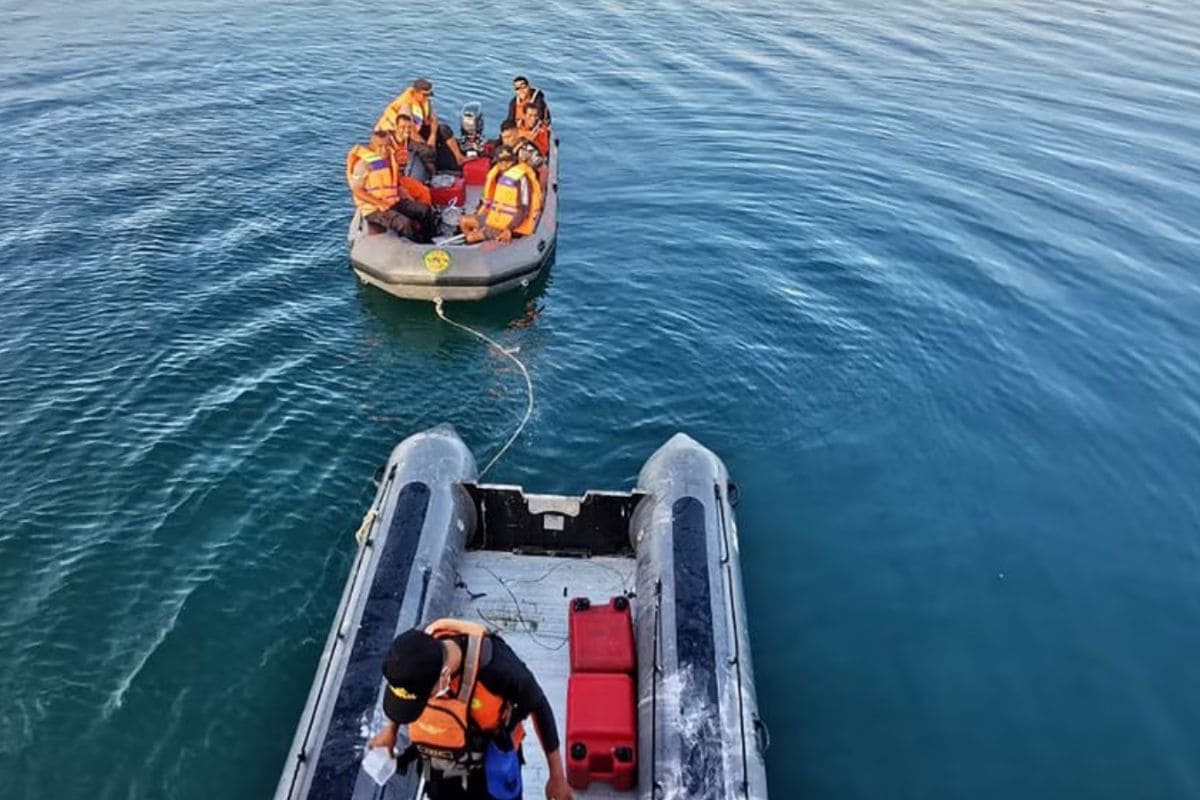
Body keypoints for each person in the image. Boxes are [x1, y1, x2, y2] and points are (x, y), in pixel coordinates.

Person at [368, 620, 574, 800]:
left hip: (491, 765)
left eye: (422, 699)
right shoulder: (411, 655)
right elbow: (405, 693)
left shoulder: (498, 667)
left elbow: (539, 706)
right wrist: (391, 731)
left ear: (444, 677)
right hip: (441, 765)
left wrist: (556, 776)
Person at [346, 130, 436, 241]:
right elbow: (357, 191)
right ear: (372, 144)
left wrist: (400, 188)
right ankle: (416, 245)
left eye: (386, 145)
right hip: (374, 208)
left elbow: (393, 180)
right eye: (380, 146)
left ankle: (430, 239)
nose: (383, 150)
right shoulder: (363, 164)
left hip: (393, 201)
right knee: (403, 223)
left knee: (424, 210)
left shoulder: (391, 158)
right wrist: (379, 203)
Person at [377, 78, 466, 175]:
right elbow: (411, 133)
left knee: (445, 130)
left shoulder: (424, 100)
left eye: (429, 95)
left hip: (416, 130)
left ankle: (459, 158)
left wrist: (432, 136)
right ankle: (432, 175)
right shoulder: (405, 107)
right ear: (416, 92)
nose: (427, 98)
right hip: (402, 137)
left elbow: (433, 120)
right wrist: (428, 144)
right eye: (424, 95)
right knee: (427, 151)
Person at [459, 146, 543, 244]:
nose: (504, 164)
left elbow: (523, 209)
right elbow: (489, 200)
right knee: (463, 221)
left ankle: (481, 246)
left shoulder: (521, 179)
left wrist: (509, 229)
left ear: (513, 161)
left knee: (471, 238)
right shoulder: (498, 174)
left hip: (510, 226)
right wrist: (481, 213)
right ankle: (484, 238)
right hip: (495, 219)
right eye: (501, 161)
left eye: (507, 161)